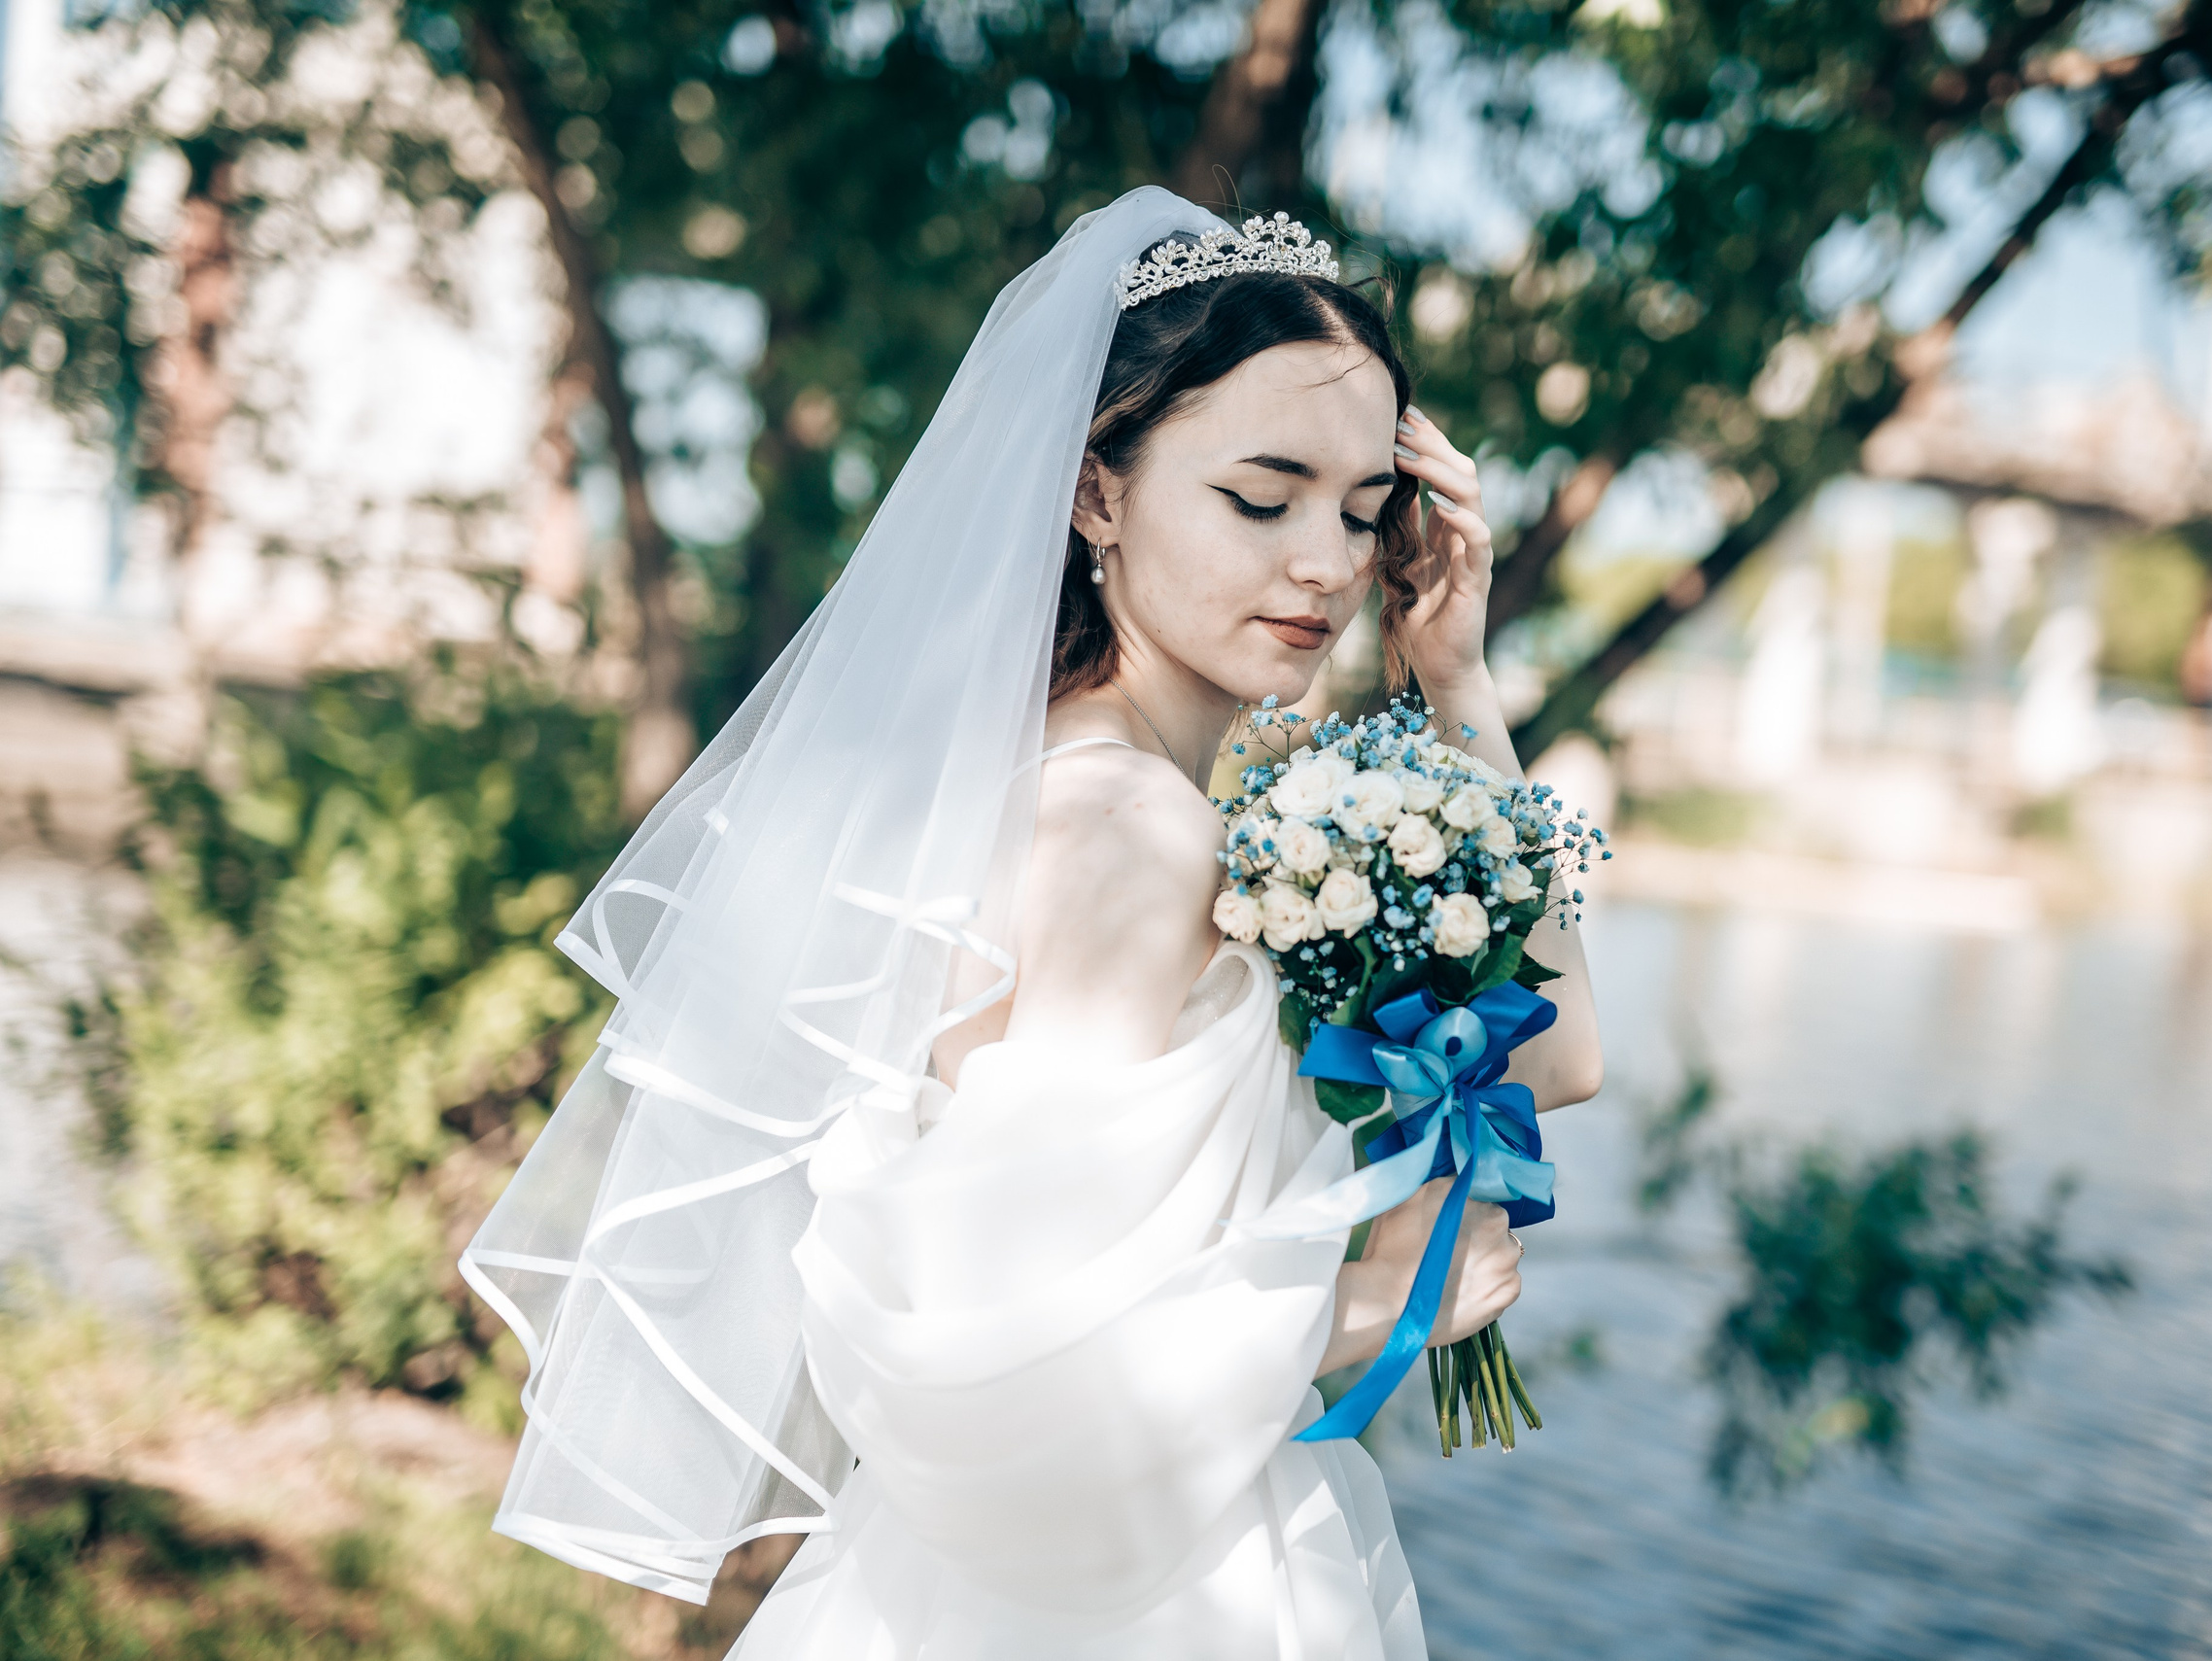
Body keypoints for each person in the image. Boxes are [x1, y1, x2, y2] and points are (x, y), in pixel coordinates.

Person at [461, 188, 1601, 1661]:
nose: (1325, 561)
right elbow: (1015, 1395)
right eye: (1261, 497)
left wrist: (1461, 679)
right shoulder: (1127, 835)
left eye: (1364, 508)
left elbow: (1556, 1052)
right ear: (1097, 491)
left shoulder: (1177, 805)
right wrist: (1379, 1301)